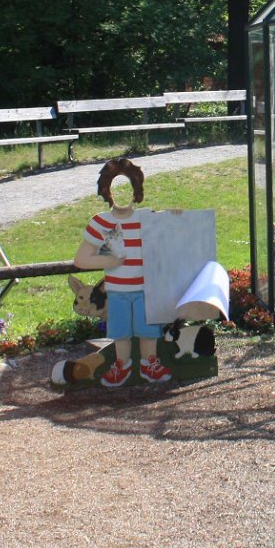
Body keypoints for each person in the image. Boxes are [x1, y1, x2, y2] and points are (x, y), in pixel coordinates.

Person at [73, 158, 171, 387]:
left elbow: (171, 231)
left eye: (128, 186)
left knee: (148, 330)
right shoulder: (100, 222)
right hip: (116, 290)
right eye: (115, 186)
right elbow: (81, 259)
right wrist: (110, 259)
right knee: (121, 331)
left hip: (144, 288)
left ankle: (149, 364)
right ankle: (122, 365)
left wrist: (176, 215)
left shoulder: (146, 217)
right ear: (107, 190)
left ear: (136, 188)